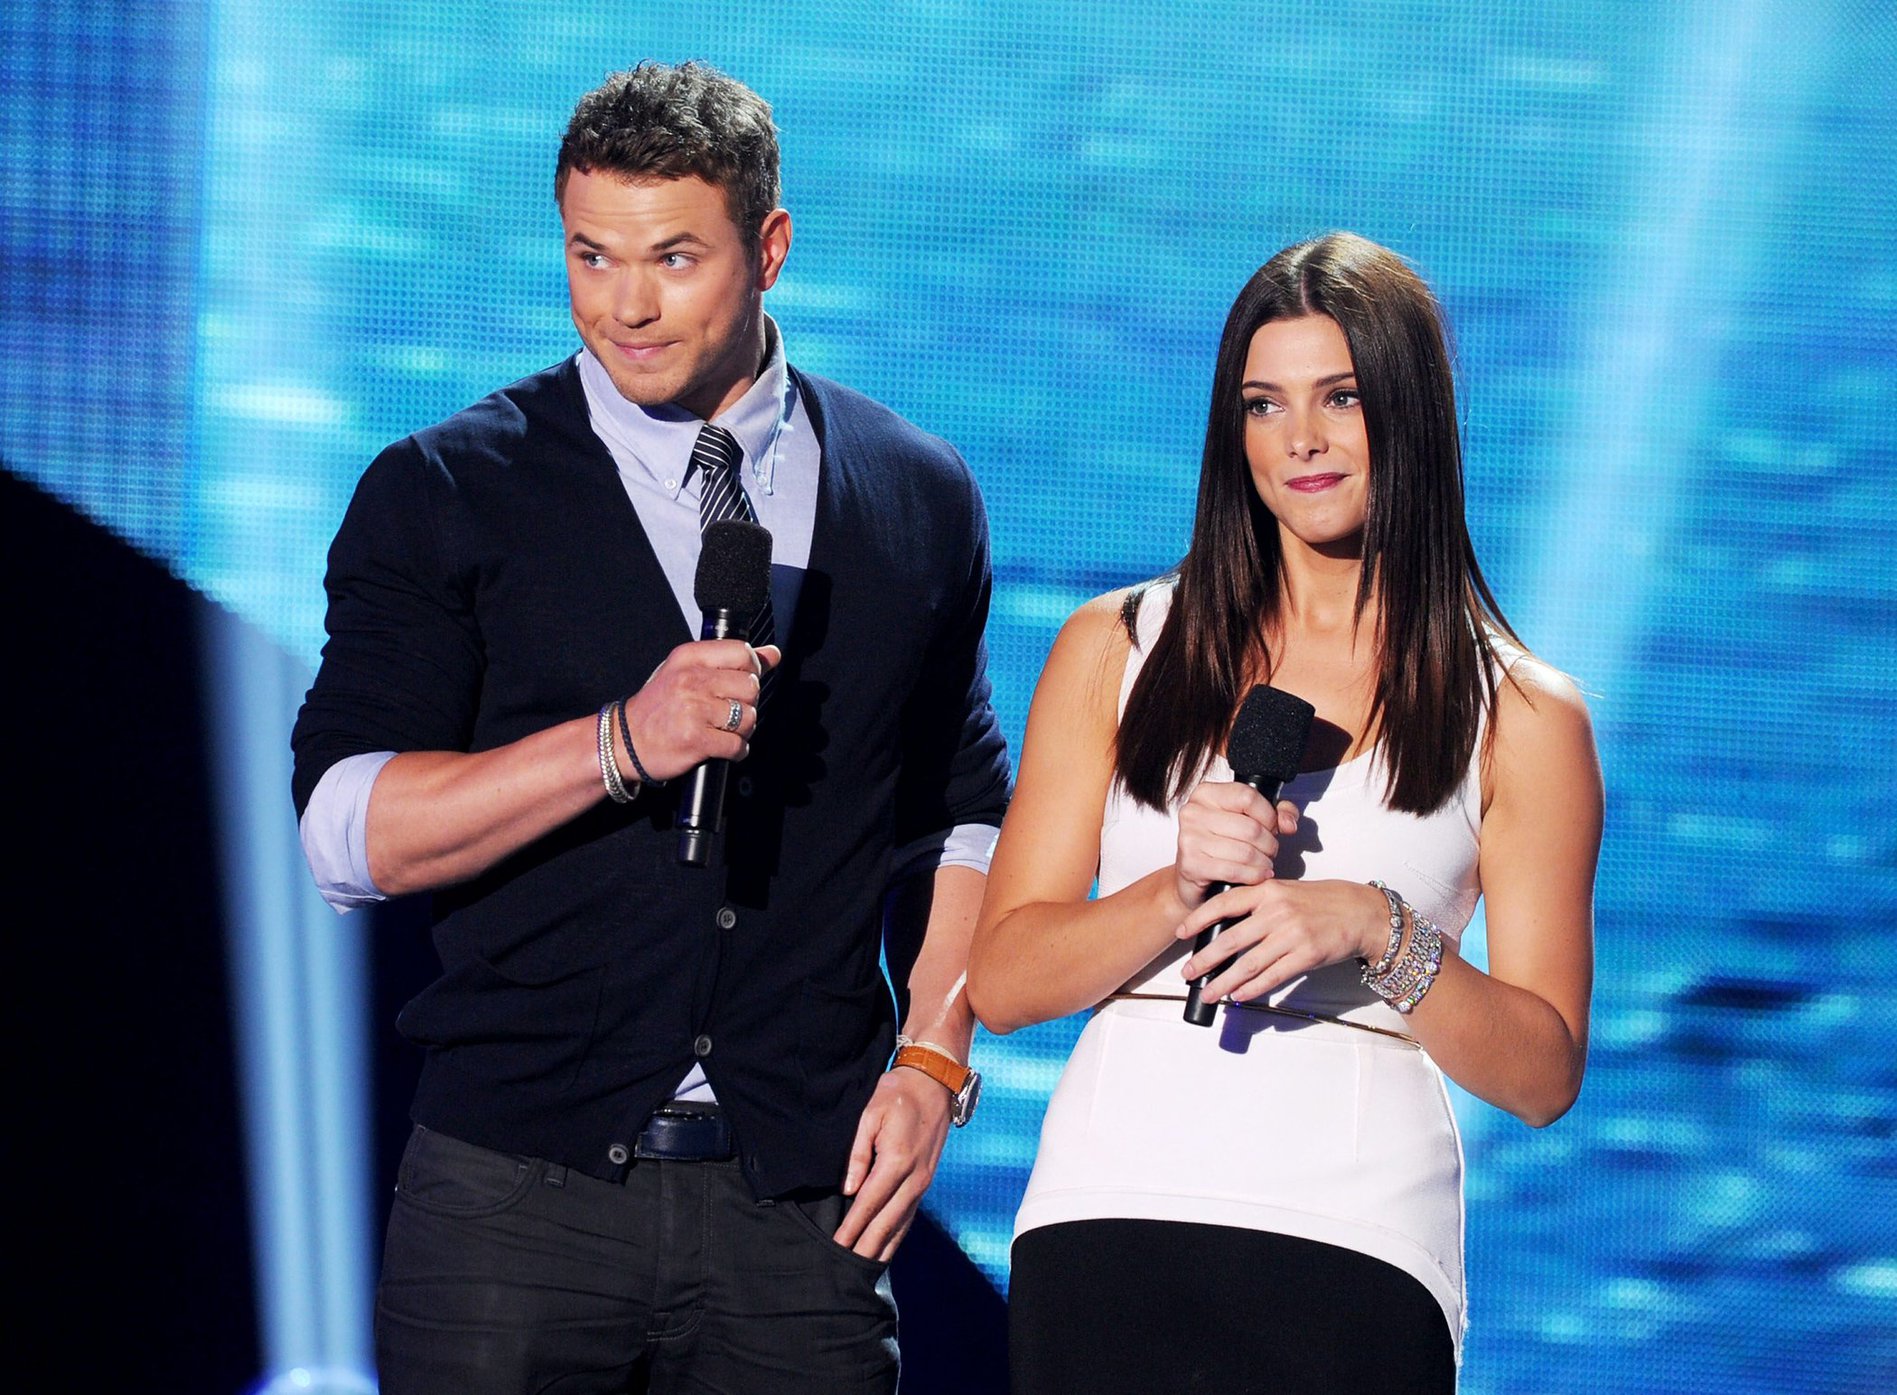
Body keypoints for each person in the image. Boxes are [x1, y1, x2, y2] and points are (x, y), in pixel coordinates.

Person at [291, 61, 1009, 1395]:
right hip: (515, 1202)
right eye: (590, 254)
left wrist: (932, 1052)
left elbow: (960, 809)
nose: (624, 303)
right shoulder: (447, 487)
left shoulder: (915, 491)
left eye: (673, 257)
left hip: (799, 1213)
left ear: (770, 248)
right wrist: (618, 739)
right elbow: (346, 831)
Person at [967, 233, 1601, 1393]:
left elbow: (1542, 1072)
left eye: (1339, 399)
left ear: (1408, 415)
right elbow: (1002, 983)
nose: (1298, 440)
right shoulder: (1117, 648)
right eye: (1263, 405)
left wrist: (1373, 925)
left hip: (1352, 1245)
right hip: (1105, 1218)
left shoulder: (1521, 712)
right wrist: (1169, 895)